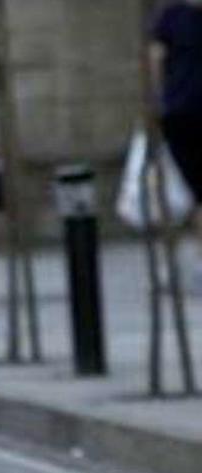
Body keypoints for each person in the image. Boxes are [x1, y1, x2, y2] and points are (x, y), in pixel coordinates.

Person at [150, 0, 202, 283]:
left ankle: (170, 260)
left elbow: (155, 60)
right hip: (183, 113)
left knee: (183, 190)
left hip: (177, 112)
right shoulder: (171, 16)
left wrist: (158, 102)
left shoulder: (170, 17)